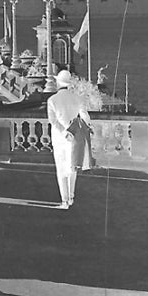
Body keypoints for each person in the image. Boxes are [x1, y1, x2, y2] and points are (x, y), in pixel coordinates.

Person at [46, 69, 89, 208]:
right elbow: (85, 117)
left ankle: (64, 200)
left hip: (60, 138)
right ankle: (71, 197)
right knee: (72, 167)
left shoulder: (52, 100)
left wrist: (64, 132)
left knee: (61, 168)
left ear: (58, 82)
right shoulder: (77, 98)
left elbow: (53, 121)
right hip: (75, 136)